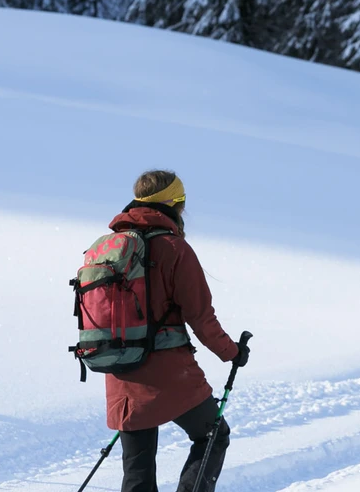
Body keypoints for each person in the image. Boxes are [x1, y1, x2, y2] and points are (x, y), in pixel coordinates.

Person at [107, 170, 249, 492]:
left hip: (120, 370)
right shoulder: (173, 249)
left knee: (137, 472)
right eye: (182, 203)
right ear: (173, 204)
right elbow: (201, 317)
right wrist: (233, 353)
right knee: (213, 434)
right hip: (169, 373)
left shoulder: (110, 246)